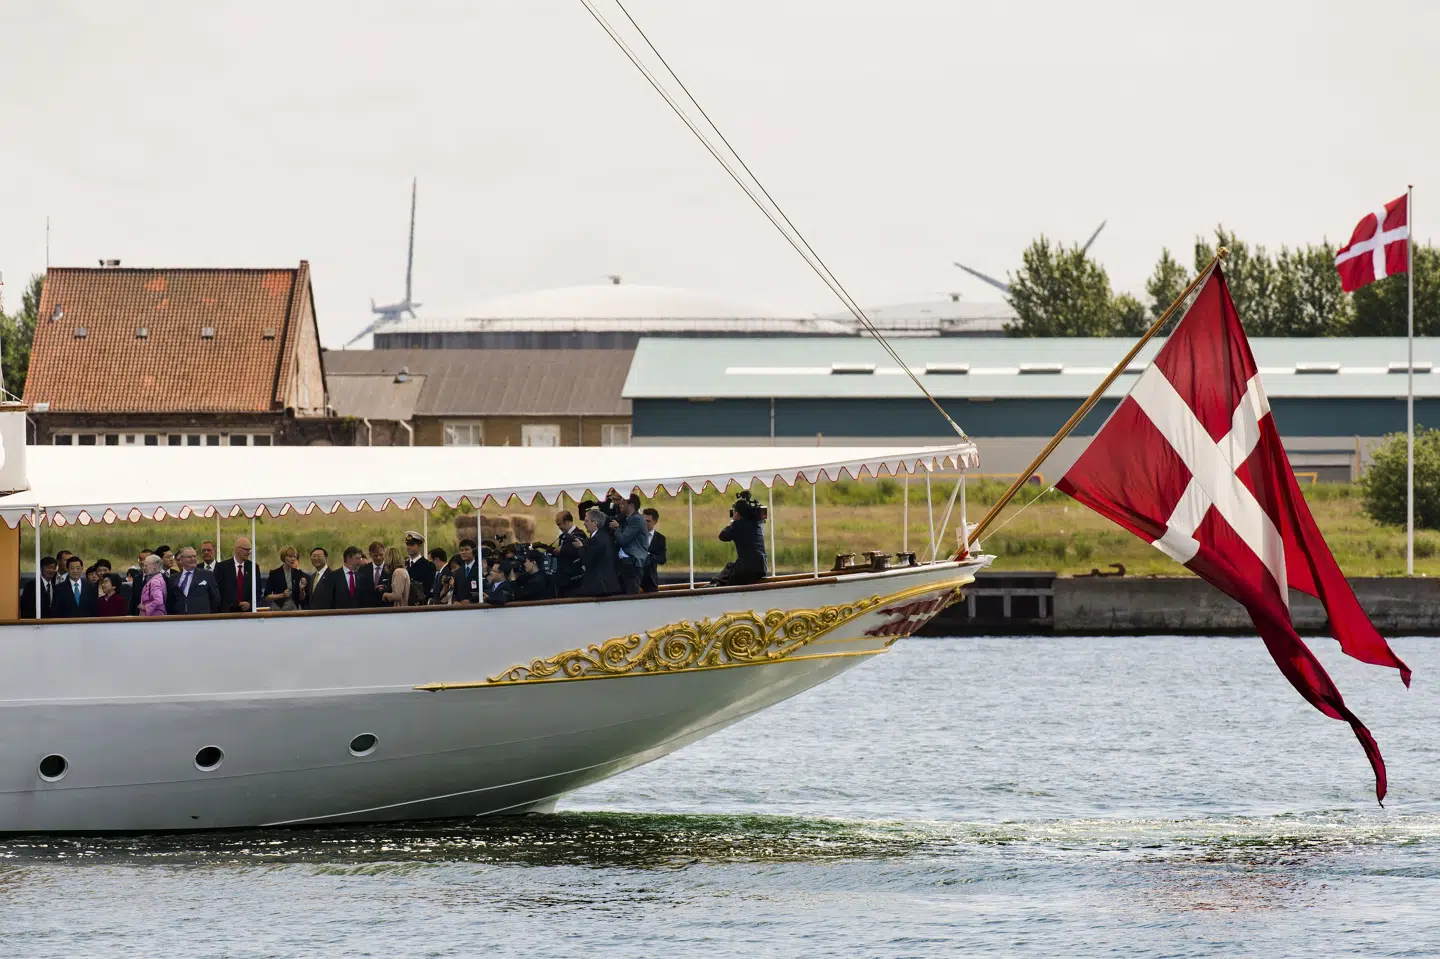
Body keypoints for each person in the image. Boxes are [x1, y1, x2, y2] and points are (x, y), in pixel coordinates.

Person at [715, 490, 769, 587]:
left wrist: (733, 521)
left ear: (737, 514)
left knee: (725, 578)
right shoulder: (758, 523)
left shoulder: (737, 525)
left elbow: (722, 536)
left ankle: (712, 588)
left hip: (746, 569)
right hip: (761, 568)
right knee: (730, 566)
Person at [609, 493, 649, 595]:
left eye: (623, 503)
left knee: (631, 596)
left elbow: (623, 539)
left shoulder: (636, 519)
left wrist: (617, 528)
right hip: (626, 564)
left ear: (631, 505)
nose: (620, 505)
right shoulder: (628, 519)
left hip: (632, 564)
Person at [579, 508, 621, 597]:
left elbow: (587, 560)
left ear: (595, 523)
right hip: (607, 585)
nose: (584, 524)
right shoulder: (604, 536)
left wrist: (580, 547)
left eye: (587, 521)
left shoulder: (597, 539)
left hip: (600, 587)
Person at [169, 546, 222, 615]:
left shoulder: (207, 574)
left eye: (194, 556)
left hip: (202, 619)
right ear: (181, 559)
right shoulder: (173, 578)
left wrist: (209, 615)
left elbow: (215, 598)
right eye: (189, 557)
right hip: (180, 619)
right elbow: (170, 601)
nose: (193, 559)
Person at [215, 536, 256, 613]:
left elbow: (258, 590)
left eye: (250, 550)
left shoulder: (254, 567)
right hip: (227, 613)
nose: (248, 552)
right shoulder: (222, 567)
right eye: (246, 549)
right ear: (237, 549)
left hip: (247, 613)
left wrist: (250, 603)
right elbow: (216, 590)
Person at [265, 545, 310, 612]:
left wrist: (302, 589)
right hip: (278, 609)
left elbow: (301, 598)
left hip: (295, 609)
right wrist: (282, 595)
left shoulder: (299, 573)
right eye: (290, 556)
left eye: (294, 556)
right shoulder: (274, 573)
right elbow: (267, 597)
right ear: (283, 557)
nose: (293, 559)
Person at [552, 510, 586, 596]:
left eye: (559, 524)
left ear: (567, 522)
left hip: (574, 579)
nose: (559, 527)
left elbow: (577, 551)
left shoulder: (579, 534)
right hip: (563, 578)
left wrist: (562, 549)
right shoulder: (564, 536)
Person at [641, 508, 667, 593]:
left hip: (651, 580)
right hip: (635, 579)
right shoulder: (635, 535)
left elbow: (662, 559)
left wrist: (649, 556)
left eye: (648, 521)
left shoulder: (660, 538)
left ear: (655, 522)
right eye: (644, 520)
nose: (645, 523)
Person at [403, 532, 435, 599]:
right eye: (407, 544)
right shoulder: (404, 564)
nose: (408, 547)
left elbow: (427, 589)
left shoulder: (427, 565)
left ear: (419, 545)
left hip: (418, 604)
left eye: (411, 544)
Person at [360, 541, 390, 609]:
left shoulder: (390, 569)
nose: (378, 558)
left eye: (381, 555)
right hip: (368, 609)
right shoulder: (363, 570)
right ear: (370, 555)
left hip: (386, 609)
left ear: (384, 553)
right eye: (375, 555)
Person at [451, 539, 481, 605]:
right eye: (461, 550)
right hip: (461, 610)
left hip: (477, 609)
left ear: (474, 551)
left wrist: (471, 601)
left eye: (466, 549)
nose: (463, 552)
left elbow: (485, 591)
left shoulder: (480, 569)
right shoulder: (459, 572)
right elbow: (455, 592)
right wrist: (455, 601)